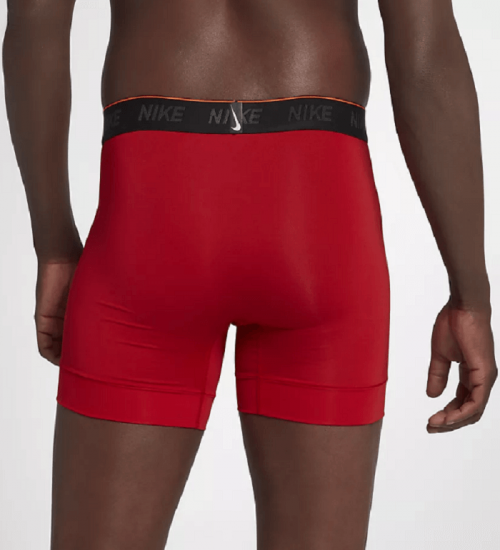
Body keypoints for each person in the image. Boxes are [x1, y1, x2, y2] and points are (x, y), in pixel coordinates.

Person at [3, 0, 497, 548]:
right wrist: (469, 295)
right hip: (317, 208)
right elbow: (427, 56)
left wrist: (54, 246)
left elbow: (35, 23)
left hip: (153, 204)